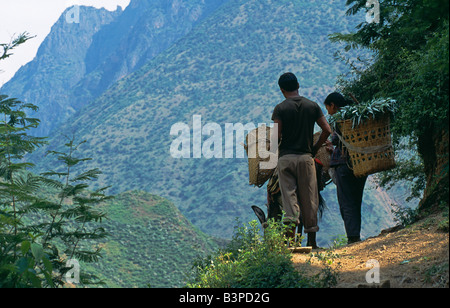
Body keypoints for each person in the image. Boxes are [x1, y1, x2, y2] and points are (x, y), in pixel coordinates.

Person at [271, 73, 332, 249]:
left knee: (289, 197)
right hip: (306, 158)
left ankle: (290, 244)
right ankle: (312, 242)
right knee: (310, 198)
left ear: (282, 90)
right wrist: (315, 147)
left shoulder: (280, 109)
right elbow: (326, 129)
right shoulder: (312, 106)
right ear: (298, 84)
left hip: (286, 159)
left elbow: (276, 137)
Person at [324, 92, 368, 244]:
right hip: (361, 163)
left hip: (344, 164)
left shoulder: (340, 119)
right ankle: (355, 234)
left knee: (346, 201)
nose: (328, 112)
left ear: (333, 105)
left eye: (328, 108)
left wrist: (331, 144)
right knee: (356, 200)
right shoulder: (357, 117)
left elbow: (337, 139)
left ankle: (353, 238)